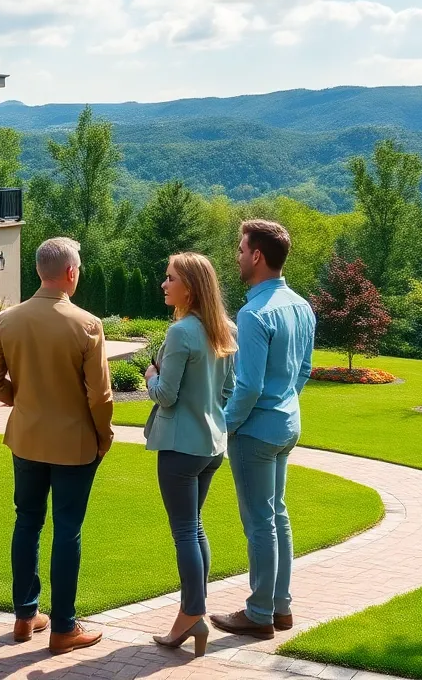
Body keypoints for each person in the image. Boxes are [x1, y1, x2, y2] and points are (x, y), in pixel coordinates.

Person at [0, 236, 114, 656]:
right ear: (71, 273)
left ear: (40, 271)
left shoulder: (8, 320)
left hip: (26, 437)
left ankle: (25, 617)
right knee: (67, 529)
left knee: (27, 522)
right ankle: (63, 627)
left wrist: (22, 402)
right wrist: (104, 434)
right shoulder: (87, 324)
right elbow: (101, 397)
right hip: (75, 443)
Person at [210, 220, 316, 640]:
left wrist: (224, 425)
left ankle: (258, 613)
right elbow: (304, 369)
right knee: (277, 517)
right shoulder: (302, 306)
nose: (236, 256)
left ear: (257, 256)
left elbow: (248, 385)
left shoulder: (254, 314)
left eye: (240, 249)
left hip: (255, 432)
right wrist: (286, 399)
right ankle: (280, 607)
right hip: (287, 424)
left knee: (259, 523)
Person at [143, 252, 237, 657]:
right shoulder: (223, 330)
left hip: (181, 448)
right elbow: (228, 392)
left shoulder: (182, 333)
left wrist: (150, 376)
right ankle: (194, 612)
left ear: (191, 287)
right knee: (195, 528)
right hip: (212, 446)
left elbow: (166, 396)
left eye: (170, 278)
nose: (164, 285)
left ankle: (192, 614)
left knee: (185, 532)